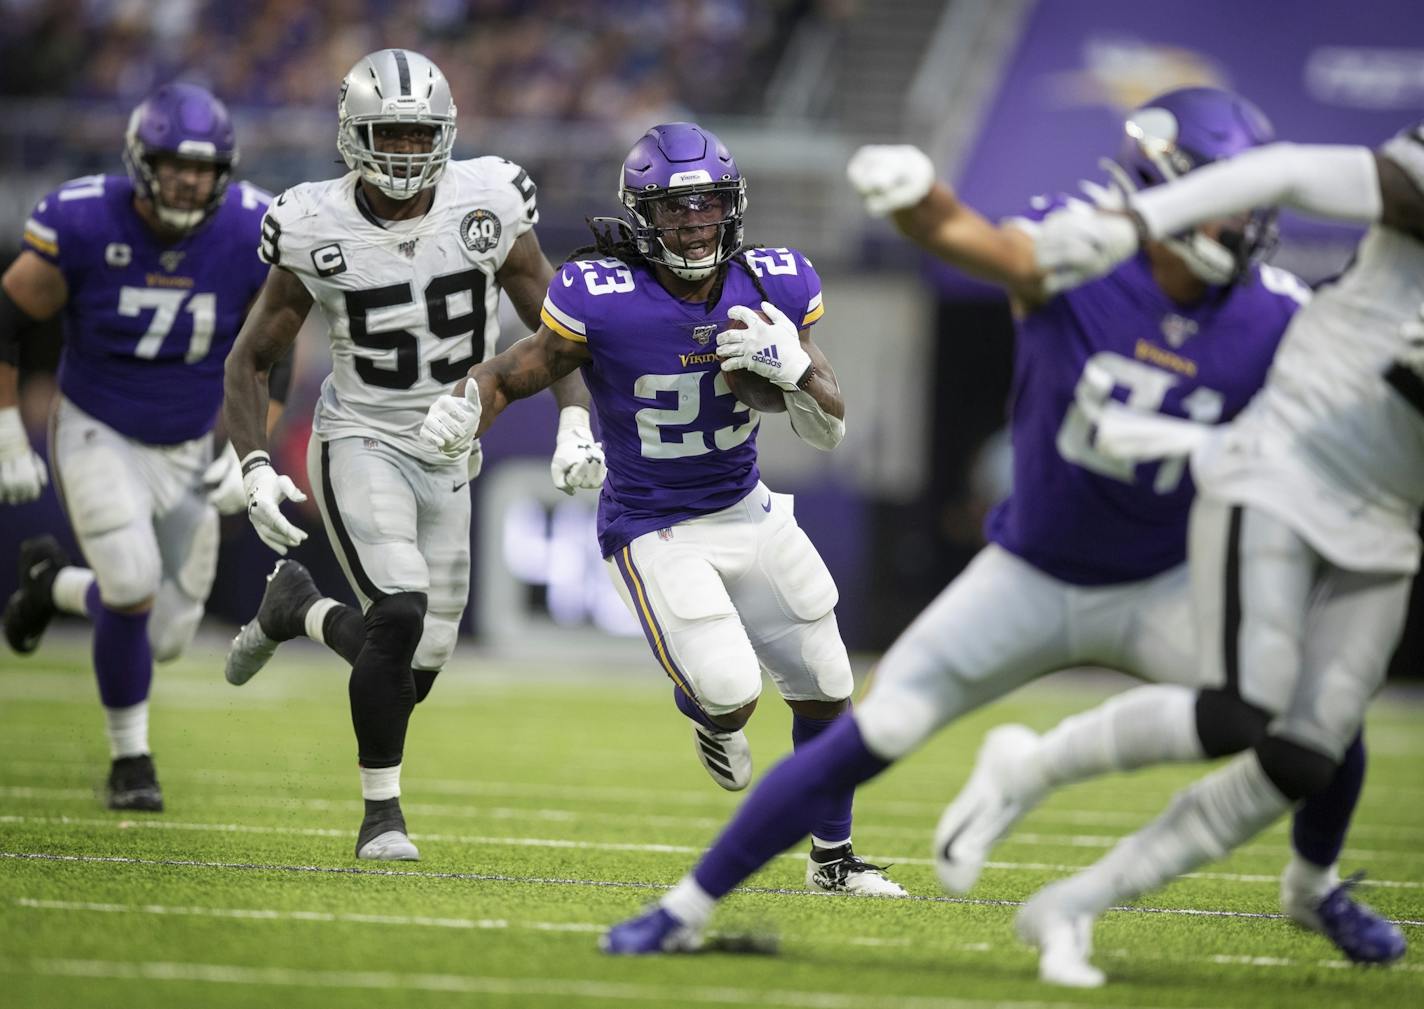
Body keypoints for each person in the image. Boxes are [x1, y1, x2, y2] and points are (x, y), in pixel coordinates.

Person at [598, 89, 1398, 960]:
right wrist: (916, 200)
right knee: (874, 728)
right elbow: (977, 242)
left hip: (1170, 573)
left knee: (1321, 715)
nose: (1242, 218)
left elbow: (1325, 432)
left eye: (1251, 196)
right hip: (1030, 568)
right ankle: (684, 906)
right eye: (1225, 193)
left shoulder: (1281, 312)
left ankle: (1313, 885)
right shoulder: (1082, 252)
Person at [419, 121, 904, 897]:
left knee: (828, 680)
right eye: (673, 209)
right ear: (643, 216)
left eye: (707, 205)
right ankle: (709, 716)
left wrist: (795, 373)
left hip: (747, 506)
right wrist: (462, 409)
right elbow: (514, 374)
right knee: (731, 690)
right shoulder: (601, 293)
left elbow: (830, 426)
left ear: (732, 206)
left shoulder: (777, 280)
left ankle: (834, 860)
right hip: (656, 525)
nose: (693, 222)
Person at [997, 119, 1424, 986]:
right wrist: (1135, 223)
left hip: (1386, 515)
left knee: (1308, 752)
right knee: (1241, 710)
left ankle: (1083, 899)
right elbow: (1291, 166)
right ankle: (1034, 762)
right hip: (1285, 462)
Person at [220, 49, 605, 863]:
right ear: (352, 135)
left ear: (448, 133)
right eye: (386, 134)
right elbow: (251, 357)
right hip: (359, 434)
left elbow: (560, 328)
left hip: (450, 450)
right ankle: (381, 818)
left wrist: (577, 420)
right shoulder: (311, 221)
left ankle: (300, 608)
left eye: (417, 134)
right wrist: (252, 463)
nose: (402, 152)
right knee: (398, 610)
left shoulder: (491, 199)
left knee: (414, 667)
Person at [0, 82, 280, 812]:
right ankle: (131, 759)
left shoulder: (253, 228)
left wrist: (250, 453)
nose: (190, 178)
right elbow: (7, 315)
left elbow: (272, 354)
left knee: (166, 634)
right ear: (140, 159)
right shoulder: (85, 217)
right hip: (99, 426)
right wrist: (5, 423)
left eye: (204, 165)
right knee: (129, 581)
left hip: (190, 442)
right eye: (173, 162)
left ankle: (51, 586)